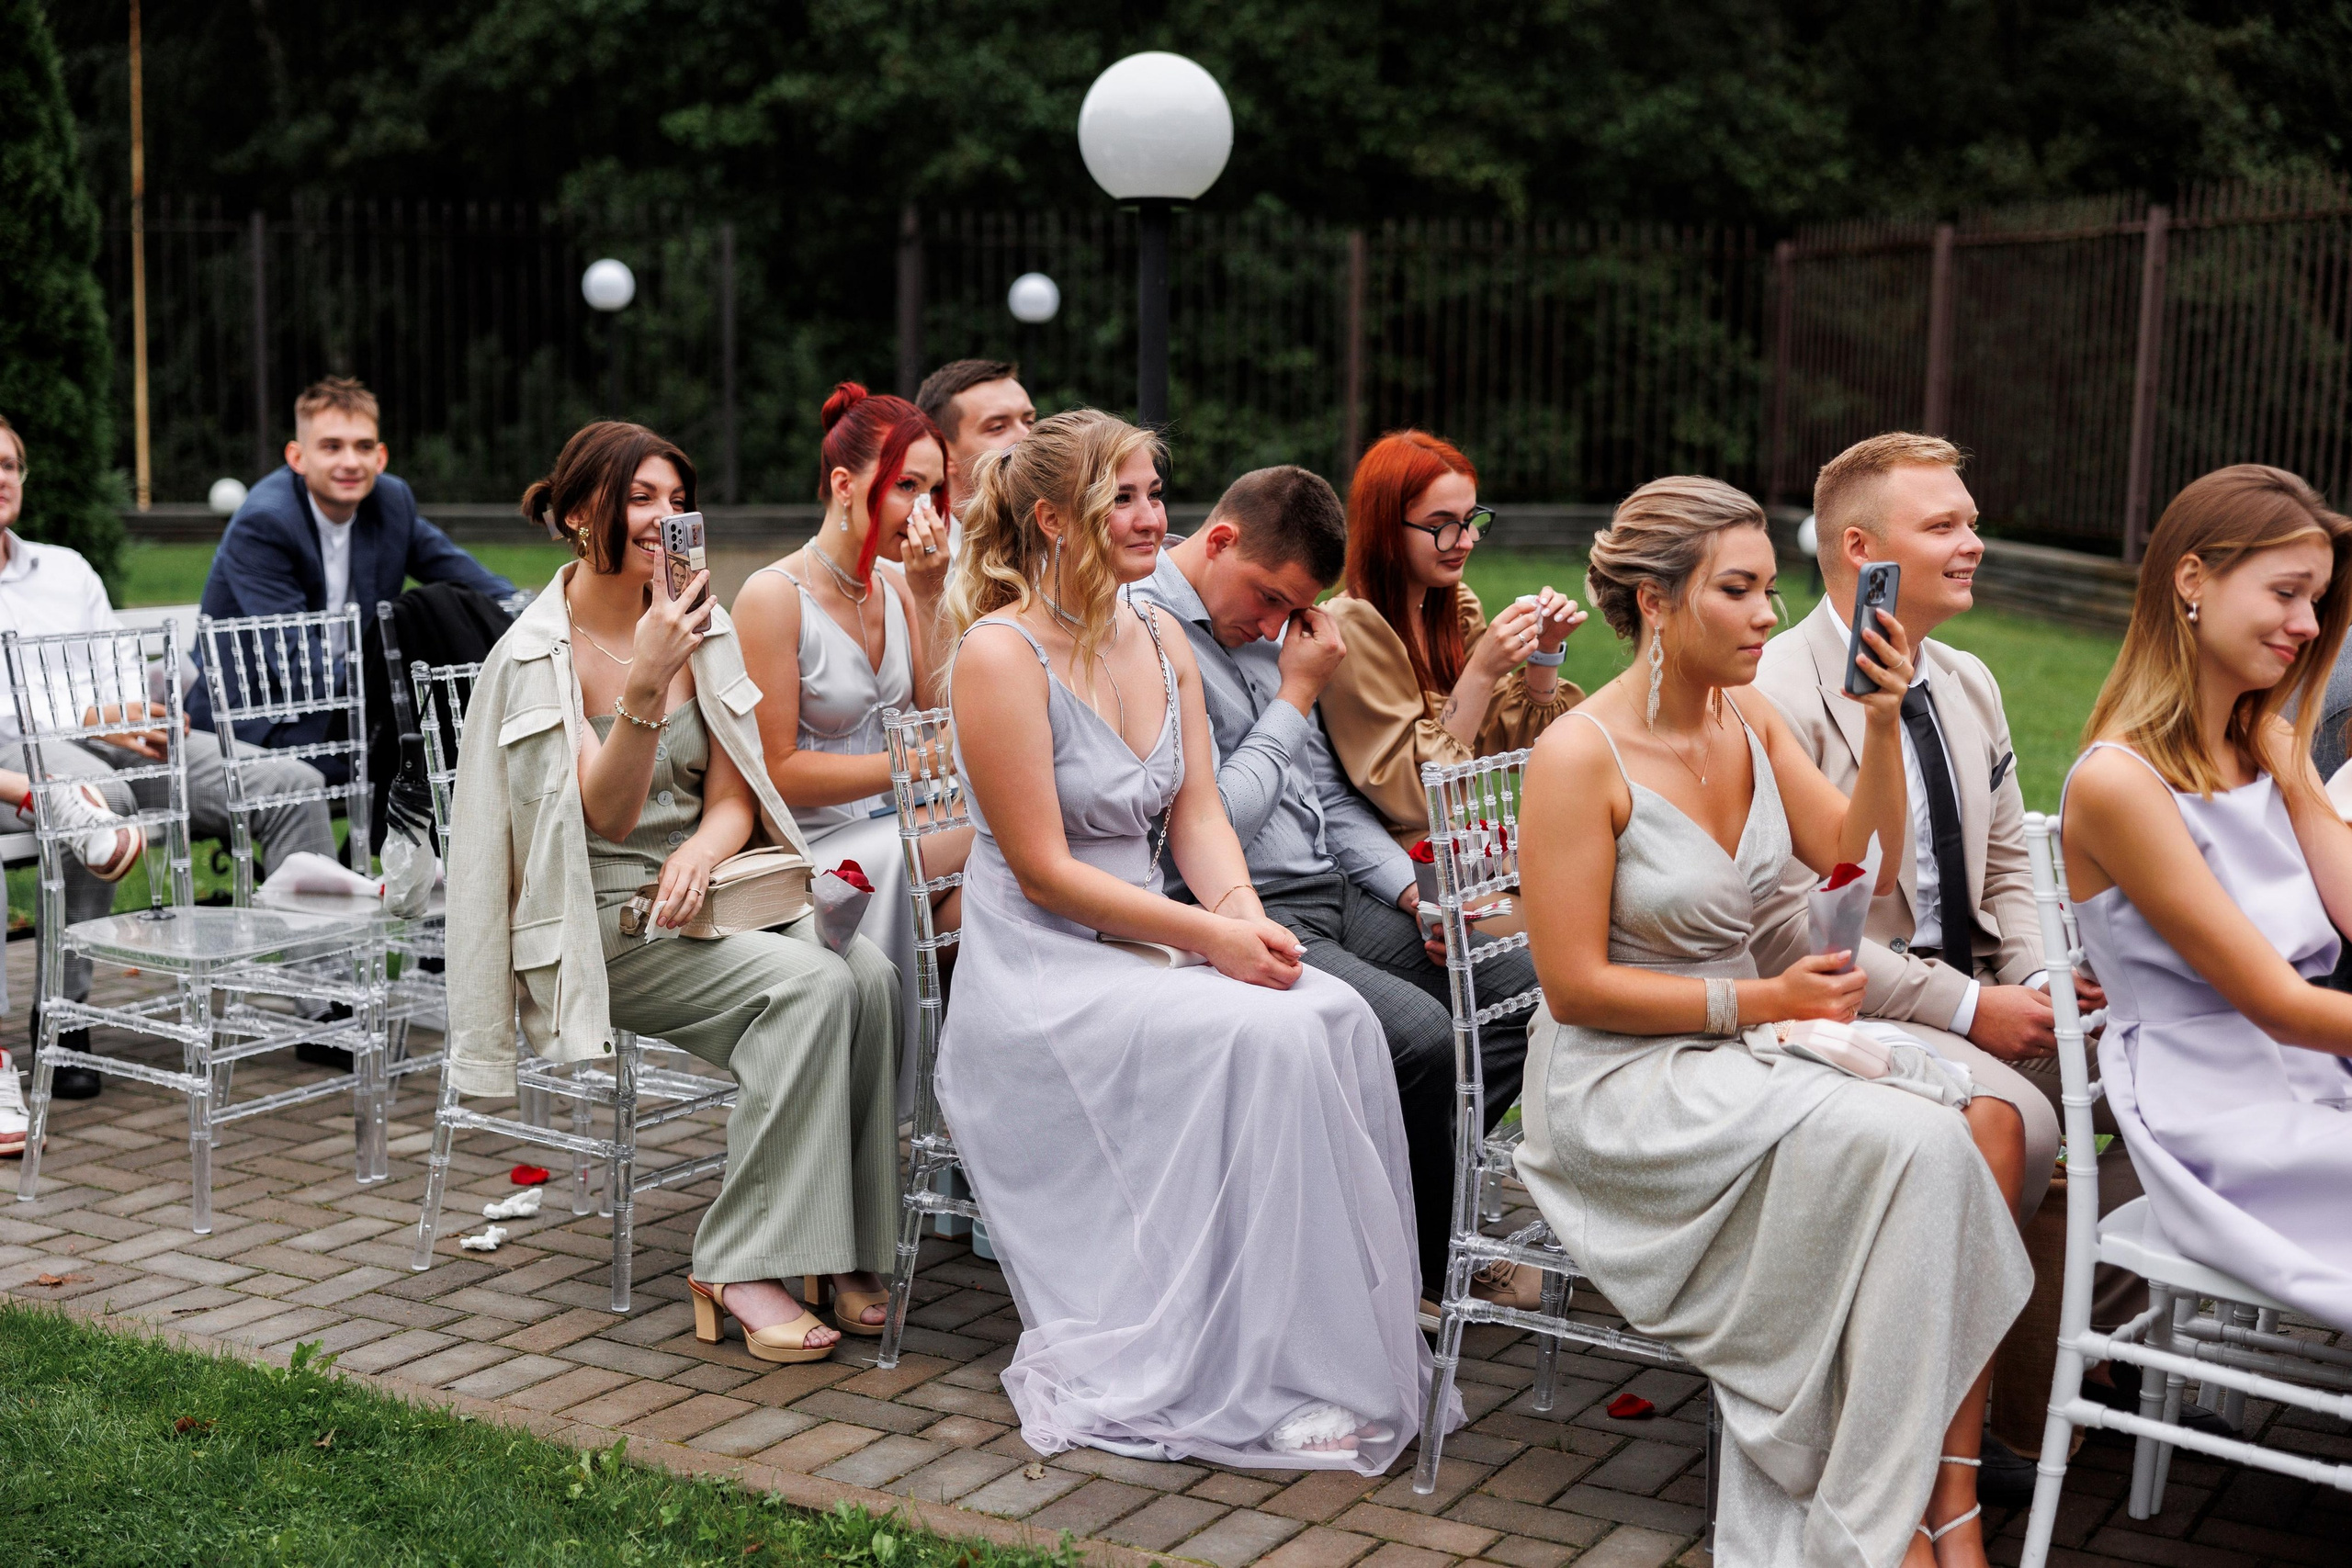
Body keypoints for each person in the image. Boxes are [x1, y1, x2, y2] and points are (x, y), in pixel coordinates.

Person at [1513, 476, 2030, 1568]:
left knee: (1962, 1135)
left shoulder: (1747, 715)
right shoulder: (1578, 755)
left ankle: (1911, 1507)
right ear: (1656, 602)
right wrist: (1766, 1000)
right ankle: (1886, 1524)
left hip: (1745, 1046)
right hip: (1621, 1080)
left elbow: (1854, 860)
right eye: (1738, 592)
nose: (1766, 617)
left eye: (1767, 589)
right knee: (1915, 1144)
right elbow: (1574, 990)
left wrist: (1881, 724)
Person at [937, 411, 1440, 1469]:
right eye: (1120, 496)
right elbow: (1044, 872)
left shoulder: (1157, 636)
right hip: (1048, 964)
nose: (1148, 515)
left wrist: (1241, 916)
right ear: (1051, 519)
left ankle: (1310, 1345)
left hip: (1156, 936)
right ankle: (1244, 1361)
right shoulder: (997, 653)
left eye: (1152, 493)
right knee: (1268, 1040)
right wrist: (1207, 942)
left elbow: (1199, 814)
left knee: (1335, 1013)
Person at [1751, 432, 2168, 1480]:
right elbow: (1797, 923)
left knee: (2166, 1077)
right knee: (2026, 1121)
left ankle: (2052, 1363)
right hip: (1852, 1006)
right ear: (1860, 549)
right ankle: (1948, 1429)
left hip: (1982, 986)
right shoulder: (1777, 689)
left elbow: (2010, 870)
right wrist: (1971, 1012)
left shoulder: (1970, 680)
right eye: (1945, 526)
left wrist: (2031, 977)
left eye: (1969, 521)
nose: (1974, 542)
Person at [445, 422, 900, 1359]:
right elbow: (603, 818)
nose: (664, 518)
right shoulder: (538, 655)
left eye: (674, 499)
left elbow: (735, 791)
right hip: (601, 918)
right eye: (640, 498)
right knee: (808, 990)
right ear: (580, 517)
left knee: (868, 976)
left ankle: (840, 1243)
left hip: (709, 891)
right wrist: (647, 680)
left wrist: (703, 846)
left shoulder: (704, 621)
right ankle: (738, 1261)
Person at [1129, 464, 1545, 1316]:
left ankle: (1389, 1215)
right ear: (1219, 542)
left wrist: (1410, 897)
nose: (1276, 621)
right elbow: (1206, 825)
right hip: (1242, 909)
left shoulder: (1267, 631)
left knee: (1520, 983)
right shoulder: (1151, 633)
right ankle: (1428, 1262)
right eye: (1269, 598)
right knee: (1425, 1039)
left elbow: (1326, 800)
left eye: (1291, 606)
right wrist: (1295, 692)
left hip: (1336, 892)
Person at [2061, 463, 2352, 1328]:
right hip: (2217, 1112)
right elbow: (2276, 1004)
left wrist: (2291, 763)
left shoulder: (2267, 741)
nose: (2307, 625)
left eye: (2318, 600)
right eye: (2287, 593)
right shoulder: (2120, 783)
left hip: (2313, 1078)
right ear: (2193, 578)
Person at [0, 412, 336, 1099]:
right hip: (22, 750)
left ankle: (320, 1002)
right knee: (105, 803)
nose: (1, 477)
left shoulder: (65, 569)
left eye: (8, 464)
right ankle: (65, 1019)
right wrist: (90, 719)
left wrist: (145, 706)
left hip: (124, 735)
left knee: (289, 782)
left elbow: (116, 663)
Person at [735, 384, 970, 1101]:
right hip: (812, 850)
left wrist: (932, 599)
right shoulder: (774, 596)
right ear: (844, 485)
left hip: (903, 828)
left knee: (980, 920)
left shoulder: (901, 585)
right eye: (906, 486)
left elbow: (940, 714)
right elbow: (776, 771)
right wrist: (909, 766)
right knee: (1006, 839)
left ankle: (958, 1121)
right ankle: (945, 1113)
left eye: (936, 490)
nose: (926, 511)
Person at [191, 377, 516, 776]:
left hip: (349, 706)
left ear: (380, 457)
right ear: (297, 457)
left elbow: (473, 580)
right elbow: (298, 666)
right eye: (331, 447)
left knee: (454, 736)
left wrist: (539, 614)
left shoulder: (390, 502)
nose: (350, 462)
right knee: (428, 752)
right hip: (259, 718)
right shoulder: (265, 524)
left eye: (363, 447)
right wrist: (393, 699)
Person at [1317, 431, 1587, 846]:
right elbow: (1418, 796)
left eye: (1470, 520)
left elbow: (1518, 751)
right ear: (1386, 527)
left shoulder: (1453, 607)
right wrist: (1481, 671)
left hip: (1462, 845)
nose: (1465, 541)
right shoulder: (1352, 626)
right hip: (1394, 866)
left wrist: (1544, 651)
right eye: (1441, 525)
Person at [914, 358, 1035, 517]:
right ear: (943, 453)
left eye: (1029, 422)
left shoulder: (1059, 530)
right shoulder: (913, 539)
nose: (1027, 437)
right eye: (997, 427)